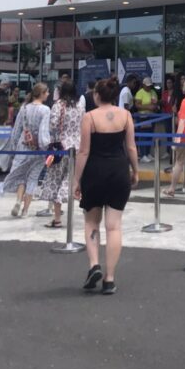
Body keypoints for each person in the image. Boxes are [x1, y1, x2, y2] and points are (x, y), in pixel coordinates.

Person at [74, 76, 138, 295]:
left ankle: (94, 265)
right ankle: (110, 279)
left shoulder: (89, 117)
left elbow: (83, 151)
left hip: (95, 172)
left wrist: (76, 179)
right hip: (119, 171)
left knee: (92, 222)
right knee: (114, 226)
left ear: (96, 95)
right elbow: (131, 147)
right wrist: (135, 170)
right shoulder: (126, 115)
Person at [0, 82, 51, 217]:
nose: (48, 95)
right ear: (42, 94)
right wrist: (46, 146)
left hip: (23, 146)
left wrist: (14, 145)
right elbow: (44, 132)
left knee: (21, 176)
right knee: (33, 178)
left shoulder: (24, 108)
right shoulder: (45, 110)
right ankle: (25, 211)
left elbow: (17, 129)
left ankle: (17, 201)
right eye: (47, 92)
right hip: (38, 149)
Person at [37, 78, 84, 228]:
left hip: (60, 147)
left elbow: (53, 125)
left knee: (56, 180)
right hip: (77, 147)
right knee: (71, 178)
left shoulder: (58, 105)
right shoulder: (79, 106)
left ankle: (57, 217)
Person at [134, 76, 159, 163]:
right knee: (143, 136)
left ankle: (148, 153)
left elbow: (156, 104)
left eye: (150, 85)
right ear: (143, 85)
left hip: (151, 116)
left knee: (150, 135)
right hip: (143, 117)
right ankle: (143, 154)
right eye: (147, 85)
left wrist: (155, 105)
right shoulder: (140, 93)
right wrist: (148, 106)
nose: (148, 87)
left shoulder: (153, 92)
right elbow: (137, 105)